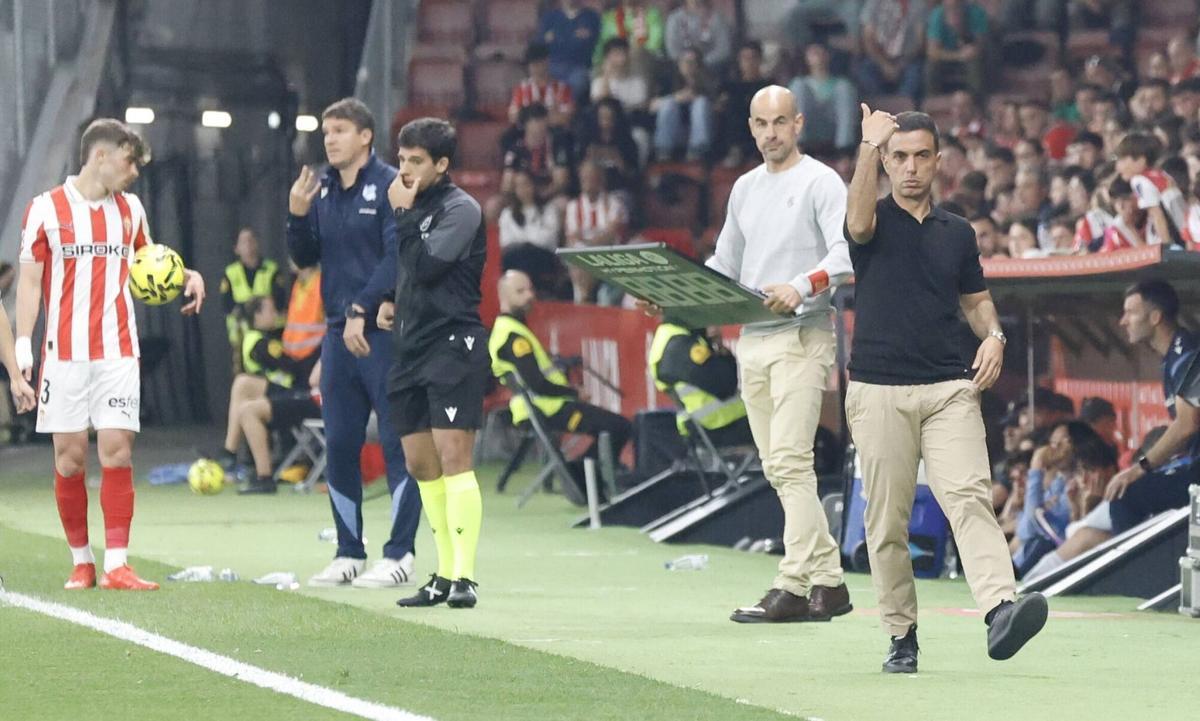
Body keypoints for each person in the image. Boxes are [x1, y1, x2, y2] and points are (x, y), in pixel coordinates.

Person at [845, 107, 1046, 673]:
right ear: (886, 161)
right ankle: (900, 635)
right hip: (878, 387)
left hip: (949, 386)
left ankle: (1001, 610)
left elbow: (976, 300)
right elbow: (856, 225)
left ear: (938, 161)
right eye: (899, 156)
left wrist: (996, 336)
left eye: (920, 156)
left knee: (969, 496)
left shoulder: (958, 232)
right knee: (885, 524)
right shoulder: (872, 216)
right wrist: (867, 147)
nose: (909, 167)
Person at [671, 85, 853, 625]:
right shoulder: (744, 188)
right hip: (751, 338)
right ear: (750, 128)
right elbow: (725, 262)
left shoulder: (821, 180)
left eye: (780, 122)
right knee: (779, 468)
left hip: (803, 332)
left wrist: (801, 284)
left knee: (791, 462)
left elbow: (845, 253)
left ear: (798, 124)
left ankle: (793, 584)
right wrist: (675, 295)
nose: (770, 133)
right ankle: (832, 583)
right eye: (760, 124)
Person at [14, 118, 205, 591]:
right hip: (64, 353)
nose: (134, 172)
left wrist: (187, 275)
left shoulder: (131, 210)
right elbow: (31, 283)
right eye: (128, 161)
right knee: (70, 459)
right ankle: (82, 561)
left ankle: (117, 563)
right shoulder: (45, 209)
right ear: (100, 156)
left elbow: (149, 264)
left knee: (117, 451)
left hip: (118, 350)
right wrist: (23, 346)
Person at [287, 97, 421, 589]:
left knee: (396, 443)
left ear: (365, 136)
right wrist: (296, 215)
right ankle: (348, 552)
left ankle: (401, 553)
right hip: (339, 335)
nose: (330, 139)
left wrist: (363, 310)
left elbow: (396, 257)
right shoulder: (322, 190)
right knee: (340, 443)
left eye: (340, 130)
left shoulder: (390, 185)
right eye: (326, 132)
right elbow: (305, 258)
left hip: (384, 332)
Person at [379, 118, 490, 610]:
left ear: (442, 165)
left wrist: (401, 217)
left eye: (416, 162)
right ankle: (442, 573)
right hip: (410, 346)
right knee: (420, 465)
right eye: (401, 160)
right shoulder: (411, 205)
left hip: (453, 345)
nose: (405, 170)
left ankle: (464, 575)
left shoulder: (461, 209)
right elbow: (405, 272)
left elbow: (427, 265)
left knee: (452, 456)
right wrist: (388, 300)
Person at [489, 270, 632, 462]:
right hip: (549, 409)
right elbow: (537, 384)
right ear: (504, 298)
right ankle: (584, 478)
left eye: (530, 289)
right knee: (619, 426)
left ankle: (586, 476)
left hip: (546, 407)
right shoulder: (513, 336)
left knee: (615, 425)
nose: (530, 296)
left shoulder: (510, 330)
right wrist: (573, 393)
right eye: (520, 292)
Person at [1103, 281, 1199, 530]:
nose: (1123, 321)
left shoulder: (1187, 353)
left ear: (1155, 317)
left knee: (1127, 493)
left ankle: (1130, 569)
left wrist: (1140, 468)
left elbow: (1187, 425)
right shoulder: (1173, 357)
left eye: (1131, 313)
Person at [648, 322, 751, 448]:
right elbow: (725, 386)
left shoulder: (666, 337)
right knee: (774, 418)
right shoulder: (683, 345)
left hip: (696, 425)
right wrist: (721, 351)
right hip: (720, 423)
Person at [221, 227, 286, 370]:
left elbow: (280, 301)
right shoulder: (231, 273)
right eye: (244, 241)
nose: (248, 245)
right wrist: (249, 306)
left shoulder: (271, 269)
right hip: (240, 337)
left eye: (251, 240)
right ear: (236, 248)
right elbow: (227, 306)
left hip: (270, 333)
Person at [1114, 132, 1188, 248]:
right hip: (1186, 232)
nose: (1118, 167)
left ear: (1141, 160)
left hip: (1177, 238)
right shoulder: (1160, 174)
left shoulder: (1139, 180)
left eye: (1122, 160)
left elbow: (1157, 215)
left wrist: (1166, 248)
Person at [789, 43, 858, 155]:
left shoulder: (840, 84)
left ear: (828, 56)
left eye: (821, 53)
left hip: (833, 129)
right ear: (806, 57)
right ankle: (798, 146)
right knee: (798, 86)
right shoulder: (801, 84)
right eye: (813, 53)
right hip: (807, 129)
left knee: (844, 87)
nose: (818, 56)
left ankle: (844, 151)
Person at [537, 0, 601, 105]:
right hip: (553, 65)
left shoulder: (591, 16)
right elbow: (541, 43)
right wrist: (574, 37)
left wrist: (557, 38)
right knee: (544, 85)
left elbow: (590, 44)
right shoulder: (550, 17)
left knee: (577, 83)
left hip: (579, 66)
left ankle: (565, 113)